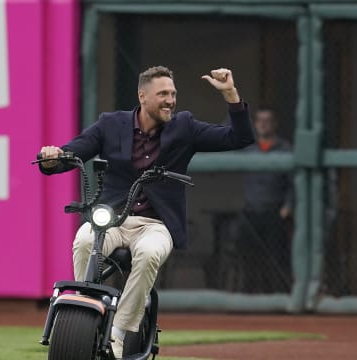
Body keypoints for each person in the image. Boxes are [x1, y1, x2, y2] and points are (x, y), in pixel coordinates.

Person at [38, 66, 254, 358]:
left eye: (173, 94)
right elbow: (73, 153)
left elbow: (238, 138)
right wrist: (52, 157)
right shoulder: (110, 124)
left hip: (156, 223)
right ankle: (86, 312)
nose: (170, 100)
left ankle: (119, 331)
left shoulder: (185, 127)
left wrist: (230, 93)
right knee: (85, 239)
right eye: (163, 93)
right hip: (113, 218)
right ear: (143, 95)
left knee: (150, 253)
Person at [239, 107, 294, 293]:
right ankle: (250, 298)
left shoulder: (285, 149)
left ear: (275, 124)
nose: (263, 124)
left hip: (275, 212)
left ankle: (277, 298)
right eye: (259, 120)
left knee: (276, 259)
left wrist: (288, 206)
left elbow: (293, 184)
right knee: (249, 258)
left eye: (267, 120)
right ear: (254, 124)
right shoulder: (249, 148)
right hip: (251, 211)